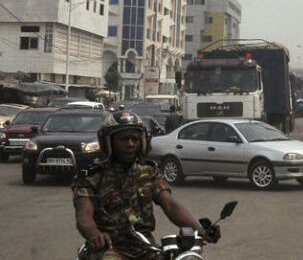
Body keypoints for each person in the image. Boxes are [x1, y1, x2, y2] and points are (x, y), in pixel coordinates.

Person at [72, 111, 214, 260]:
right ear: (109, 142)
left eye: (135, 139)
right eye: (124, 139)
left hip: (144, 246)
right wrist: (94, 235)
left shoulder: (149, 171)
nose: (131, 144)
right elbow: (84, 216)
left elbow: (170, 205)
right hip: (108, 247)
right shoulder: (90, 177)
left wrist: (200, 230)